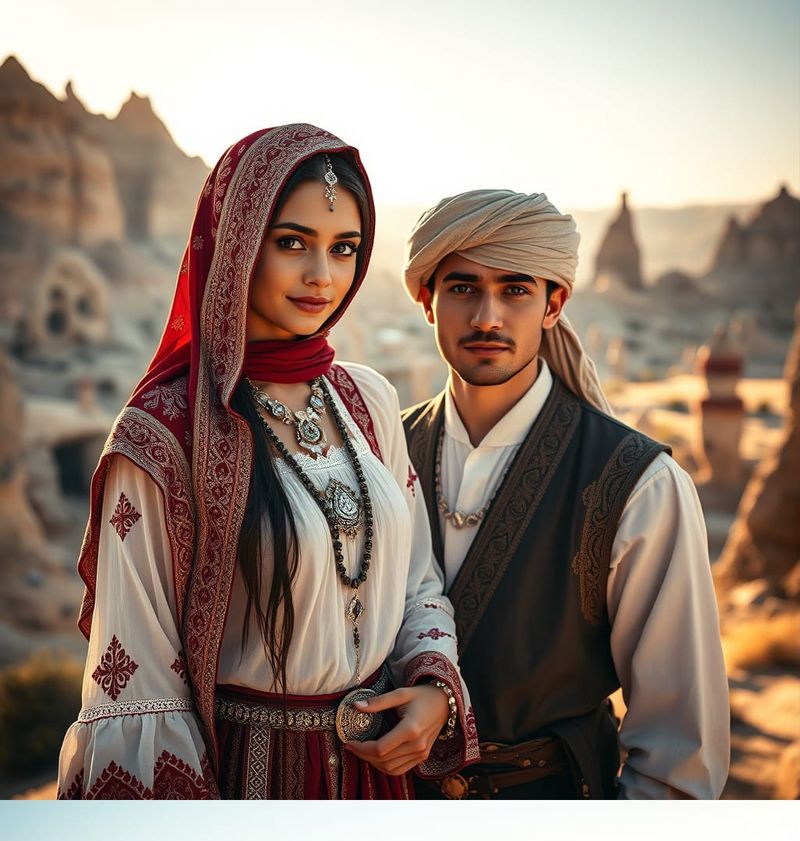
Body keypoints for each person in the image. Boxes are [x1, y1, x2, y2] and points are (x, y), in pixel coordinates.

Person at [59, 123, 475, 800]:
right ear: (236, 245)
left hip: (381, 784)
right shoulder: (164, 435)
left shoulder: (367, 400)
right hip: (246, 784)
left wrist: (433, 689)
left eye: (344, 249)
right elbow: (135, 688)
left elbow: (415, 580)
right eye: (291, 244)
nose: (322, 276)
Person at [399, 190, 729, 799]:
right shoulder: (378, 455)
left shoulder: (636, 485)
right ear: (428, 301)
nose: (487, 317)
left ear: (555, 304)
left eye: (516, 290)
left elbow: (680, 757)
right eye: (463, 288)